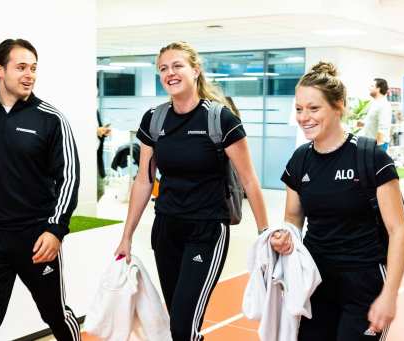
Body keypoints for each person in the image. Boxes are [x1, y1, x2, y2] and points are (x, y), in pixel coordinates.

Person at [114, 41, 289, 341]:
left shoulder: (220, 119)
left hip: (206, 231)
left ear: (195, 70)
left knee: (183, 327)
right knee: (179, 325)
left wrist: (265, 235)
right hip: (167, 229)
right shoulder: (154, 119)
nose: (170, 73)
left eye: (177, 66)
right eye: (163, 69)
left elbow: (249, 181)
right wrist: (126, 236)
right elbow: (144, 180)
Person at [0, 38, 81, 341]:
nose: (29, 75)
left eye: (33, 68)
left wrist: (55, 229)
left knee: (55, 315)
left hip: (35, 238)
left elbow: (69, 177)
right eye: (21, 67)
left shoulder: (51, 118)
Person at [277, 62, 404, 340]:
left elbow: (399, 231)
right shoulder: (300, 159)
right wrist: (284, 237)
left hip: (364, 282)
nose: (304, 117)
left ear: (339, 106)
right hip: (316, 282)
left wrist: (389, 295)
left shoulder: (370, 158)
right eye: (299, 109)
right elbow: (293, 219)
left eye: (314, 108)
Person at [358, 78, 393, 151]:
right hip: (370, 144)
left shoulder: (384, 105)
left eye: (372, 86)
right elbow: (373, 122)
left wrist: (378, 150)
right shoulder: (375, 103)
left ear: (378, 88)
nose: (369, 88)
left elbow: (383, 129)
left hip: (378, 145)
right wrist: (363, 123)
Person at [96, 109, 111, 201]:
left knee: (100, 190)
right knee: (99, 189)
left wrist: (103, 132)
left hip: (97, 155)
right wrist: (96, 131)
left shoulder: (95, 110)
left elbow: (99, 130)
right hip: (87, 156)